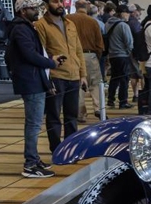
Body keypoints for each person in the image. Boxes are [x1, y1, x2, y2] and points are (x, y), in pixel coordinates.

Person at [5, 0, 64, 178]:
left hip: (32, 79)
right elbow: (30, 55)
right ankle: (30, 164)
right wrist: (50, 63)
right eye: (33, 8)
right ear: (23, 11)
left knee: (33, 123)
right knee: (33, 124)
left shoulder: (24, 27)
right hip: (31, 81)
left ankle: (34, 159)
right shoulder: (21, 29)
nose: (37, 11)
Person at [35, 0, 87, 154]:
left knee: (72, 116)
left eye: (61, 1)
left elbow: (78, 50)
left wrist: (82, 74)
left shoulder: (70, 23)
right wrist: (47, 78)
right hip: (56, 76)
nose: (59, 4)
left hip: (73, 76)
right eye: (55, 1)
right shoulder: (41, 25)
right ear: (47, 4)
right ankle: (56, 149)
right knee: (54, 116)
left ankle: (71, 148)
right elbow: (40, 53)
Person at [68, 0, 104, 122]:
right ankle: (99, 108)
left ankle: (81, 114)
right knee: (95, 84)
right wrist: (97, 56)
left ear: (75, 6)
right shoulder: (93, 22)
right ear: (87, 7)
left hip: (73, 56)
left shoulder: (67, 20)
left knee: (78, 85)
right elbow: (100, 44)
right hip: (91, 55)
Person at [106, 4, 134, 109]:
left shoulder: (108, 23)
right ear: (122, 13)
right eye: (127, 13)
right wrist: (129, 51)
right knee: (124, 79)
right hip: (122, 55)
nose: (128, 16)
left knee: (114, 78)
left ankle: (110, 99)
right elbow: (129, 42)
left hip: (112, 55)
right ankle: (123, 101)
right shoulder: (123, 25)